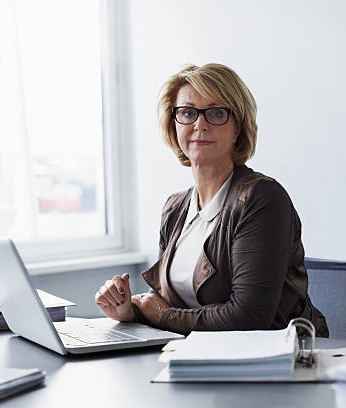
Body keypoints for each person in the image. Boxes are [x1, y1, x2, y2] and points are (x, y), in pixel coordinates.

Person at [94, 63, 329, 337]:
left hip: (271, 363)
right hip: (197, 356)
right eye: (188, 113)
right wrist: (131, 310)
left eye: (216, 113)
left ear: (238, 128)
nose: (200, 124)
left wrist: (162, 315)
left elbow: (249, 317)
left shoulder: (262, 199)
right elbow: (164, 302)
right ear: (174, 124)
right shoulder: (175, 208)